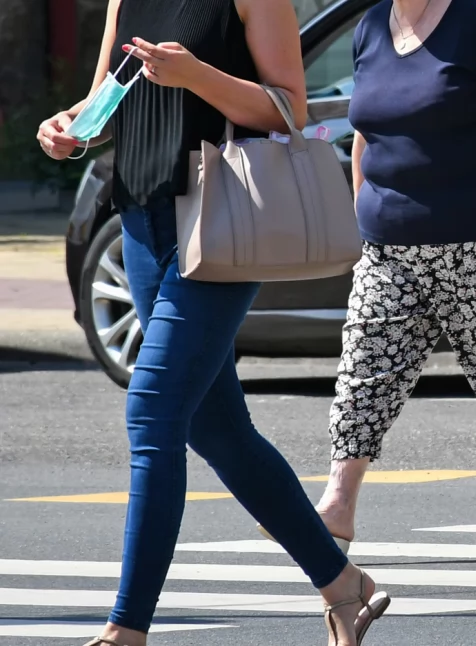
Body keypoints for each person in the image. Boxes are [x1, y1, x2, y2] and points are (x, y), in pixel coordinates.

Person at [36, 0, 389, 644]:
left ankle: (127, 629)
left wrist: (198, 75)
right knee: (219, 428)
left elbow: (289, 109)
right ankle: (343, 585)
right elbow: (107, 102)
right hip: (140, 224)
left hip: (221, 222)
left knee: (152, 414)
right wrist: (73, 128)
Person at [297, 0, 476, 562]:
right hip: (388, 247)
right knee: (364, 370)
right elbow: (363, 132)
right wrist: (362, 214)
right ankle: (338, 502)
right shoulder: (372, 26)